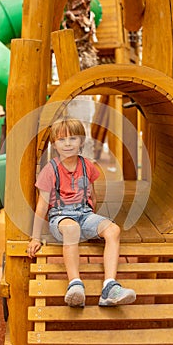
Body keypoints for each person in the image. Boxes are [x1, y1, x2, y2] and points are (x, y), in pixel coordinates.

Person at [27, 117, 136, 307]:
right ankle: (75, 284)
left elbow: (91, 195)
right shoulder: (50, 171)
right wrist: (35, 237)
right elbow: (42, 206)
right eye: (61, 140)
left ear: (81, 142)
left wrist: (95, 224)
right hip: (61, 217)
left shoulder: (87, 166)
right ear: (54, 144)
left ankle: (109, 287)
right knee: (71, 229)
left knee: (113, 230)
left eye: (73, 139)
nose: (67, 144)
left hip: (85, 214)